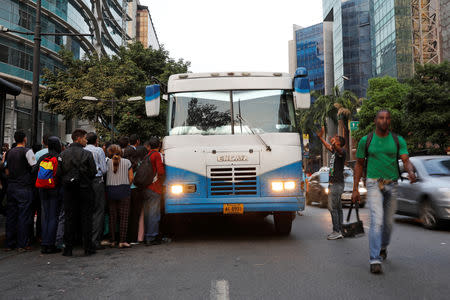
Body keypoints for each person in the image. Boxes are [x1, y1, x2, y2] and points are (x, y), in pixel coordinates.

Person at [352, 110, 416, 274]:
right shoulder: (366, 140)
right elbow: (359, 164)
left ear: (390, 121)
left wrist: (410, 171)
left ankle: (383, 246)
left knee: (388, 223)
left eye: (387, 118)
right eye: (381, 118)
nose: (384, 120)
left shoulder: (397, 140)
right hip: (374, 183)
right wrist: (355, 189)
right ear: (375, 121)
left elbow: (406, 160)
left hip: (392, 184)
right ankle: (374, 259)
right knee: (377, 220)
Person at [57, 129, 97, 256]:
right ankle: (88, 248)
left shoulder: (63, 154)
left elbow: (59, 173)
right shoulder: (87, 154)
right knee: (86, 219)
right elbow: (93, 172)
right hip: (85, 189)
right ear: (78, 139)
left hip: (69, 190)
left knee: (69, 218)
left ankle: (68, 248)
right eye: (85, 138)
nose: (86, 140)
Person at [4, 131, 37, 252]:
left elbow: (6, 170)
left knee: (11, 216)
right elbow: (34, 167)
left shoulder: (9, 152)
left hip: (11, 187)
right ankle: (22, 244)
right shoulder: (27, 151)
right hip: (24, 187)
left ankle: (9, 243)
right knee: (24, 216)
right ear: (24, 139)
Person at [317, 126, 346, 240]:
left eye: (335, 139)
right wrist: (321, 138)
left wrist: (334, 144)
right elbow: (328, 146)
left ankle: (336, 231)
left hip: (336, 184)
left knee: (332, 207)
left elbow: (337, 149)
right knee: (338, 208)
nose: (333, 139)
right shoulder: (335, 151)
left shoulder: (341, 152)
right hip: (335, 184)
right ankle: (341, 230)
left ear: (339, 143)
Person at [36, 136, 63, 254]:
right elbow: (61, 174)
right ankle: (50, 244)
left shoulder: (42, 157)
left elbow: (33, 171)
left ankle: (44, 244)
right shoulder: (59, 157)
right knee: (53, 216)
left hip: (42, 189)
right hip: (54, 190)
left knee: (45, 216)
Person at [105, 144, 133, 248]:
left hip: (111, 191)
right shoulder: (127, 162)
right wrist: (126, 185)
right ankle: (122, 241)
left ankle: (112, 240)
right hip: (124, 190)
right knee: (124, 217)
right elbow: (131, 178)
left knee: (112, 217)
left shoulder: (106, 162)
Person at [85, 132, 107, 250]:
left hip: (85, 182)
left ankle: (86, 239)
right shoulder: (98, 151)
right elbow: (103, 169)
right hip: (97, 181)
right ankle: (95, 240)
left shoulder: (83, 150)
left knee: (87, 210)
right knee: (99, 210)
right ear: (96, 141)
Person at [143, 137, 165, 246]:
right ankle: (152, 236)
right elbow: (160, 171)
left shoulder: (147, 155)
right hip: (155, 187)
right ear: (159, 146)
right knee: (154, 213)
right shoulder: (156, 155)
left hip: (146, 187)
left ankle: (147, 234)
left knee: (148, 213)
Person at [127, 146, 148, 243]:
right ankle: (134, 238)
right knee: (136, 215)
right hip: (137, 190)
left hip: (126, 190)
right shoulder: (139, 164)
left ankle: (126, 237)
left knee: (127, 214)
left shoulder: (125, 163)